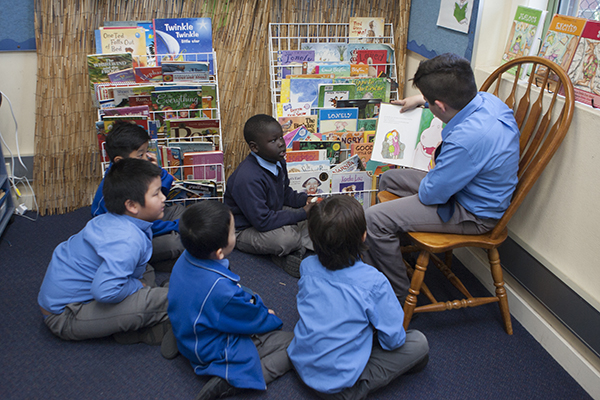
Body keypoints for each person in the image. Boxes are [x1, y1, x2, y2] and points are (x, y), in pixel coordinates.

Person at [361, 53, 520, 301]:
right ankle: (396, 251)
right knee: (390, 179)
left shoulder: (466, 141)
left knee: (373, 219)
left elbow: (431, 193)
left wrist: (433, 180)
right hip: (466, 187)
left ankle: (396, 294)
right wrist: (422, 101)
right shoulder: (488, 101)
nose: (427, 104)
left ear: (442, 105)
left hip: (473, 212)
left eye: (429, 102)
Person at [287, 195, 429, 400]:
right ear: (363, 236)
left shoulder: (307, 266)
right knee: (418, 343)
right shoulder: (374, 282)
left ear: (312, 236)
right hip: (339, 388)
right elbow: (393, 341)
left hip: (300, 363)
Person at [167, 200, 294, 400]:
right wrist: (270, 319)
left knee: (244, 292)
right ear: (219, 252)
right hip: (210, 348)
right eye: (234, 232)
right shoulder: (220, 290)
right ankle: (232, 381)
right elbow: (249, 318)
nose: (235, 234)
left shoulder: (186, 256)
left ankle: (181, 341)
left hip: (189, 326)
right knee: (294, 345)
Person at [38, 158, 171, 344]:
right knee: (168, 299)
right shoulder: (127, 239)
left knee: (144, 269)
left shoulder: (113, 220)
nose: (164, 197)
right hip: (67, 316)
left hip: (83, 294)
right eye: (156, 194)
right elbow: (105, 292)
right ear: (132, 205)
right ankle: (144, 327)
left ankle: (140, 320)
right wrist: (139, 287)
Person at [223, 114, 315, 278]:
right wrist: (301, 213)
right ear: (255, 147)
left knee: (317, 215)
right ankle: (293, 249)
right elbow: (262, 221)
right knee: (286, 238)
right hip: (245, 228)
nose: (281, 143)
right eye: (273, 141)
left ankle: (293, 250)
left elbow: (285, 193)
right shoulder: (248, 178)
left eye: (281, 137)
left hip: (271, 213)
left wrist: (305, 200)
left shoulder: (278, 161)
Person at [92, 120, 185, 265]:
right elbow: (140, 224)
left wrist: (156, 172)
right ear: (119, 161)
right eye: (140, 155)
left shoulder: (134, 172)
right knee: (175, 242)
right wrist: (175, 226)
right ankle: (146, 260)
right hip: (124, 240)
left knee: (178, 210)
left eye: (145, 153)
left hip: (143, 223)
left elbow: (163, 190)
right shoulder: (114, 188)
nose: (145, 158)